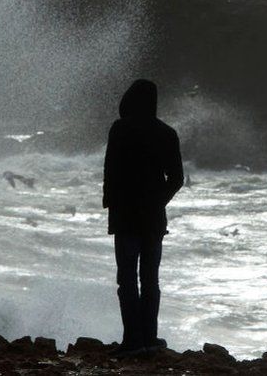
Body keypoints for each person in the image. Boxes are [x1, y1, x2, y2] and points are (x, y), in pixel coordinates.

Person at [102, 79, 183, 355]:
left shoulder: (120, 129)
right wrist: (157, 201)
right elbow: (177, 179)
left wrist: (111, 203)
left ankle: (132, 340)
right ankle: (150, 337)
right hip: (153, 219)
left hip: (125, 217)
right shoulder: (167, 133)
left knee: (127, 278)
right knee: (150, 279)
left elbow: (110, 170)